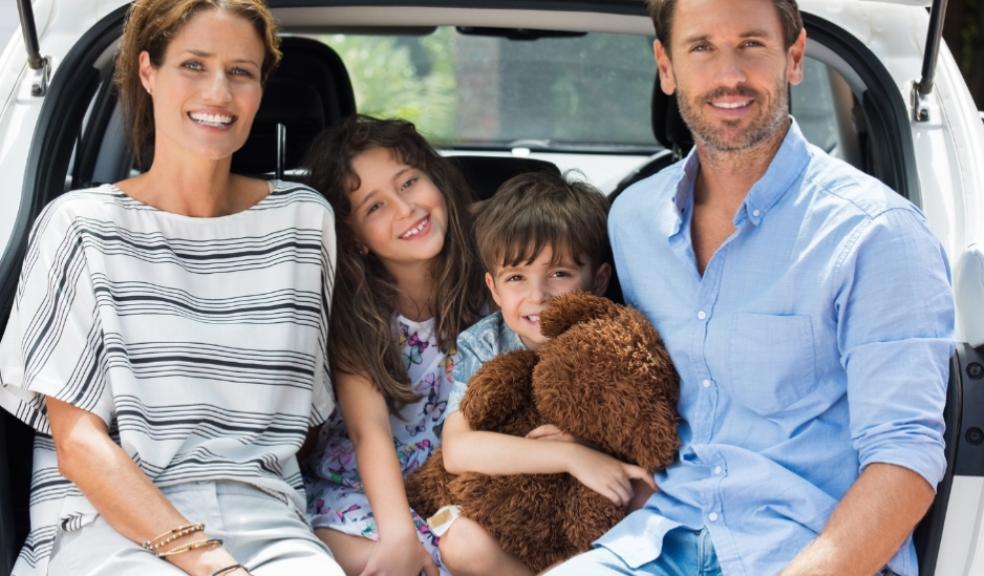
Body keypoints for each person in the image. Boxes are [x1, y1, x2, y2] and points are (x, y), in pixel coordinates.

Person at [546, 0, 955, 575]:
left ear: (794, 57)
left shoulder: (876, 234)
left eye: (752, 45)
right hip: (660, 540)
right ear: (666, 67)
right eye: (702, 48)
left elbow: (905, 457)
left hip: (812, 552)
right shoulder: (632, 220)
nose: (729, 75)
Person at [0, 2, 344, 576]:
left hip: (269, 520)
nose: (219, 93)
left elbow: (304, 421)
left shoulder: (304, 224)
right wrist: (213, 564)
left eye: (241, 72)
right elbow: (78, 445)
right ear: (147, 72)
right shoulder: (79, 225)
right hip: (106, 524)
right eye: (193, 64)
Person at [435, 171, 656, 576]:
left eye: (559, 274)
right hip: (519, 507)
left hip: (596, 503)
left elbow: (647, 429)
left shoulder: (616, 339)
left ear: (599, 279)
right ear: (494, 288)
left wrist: (592, 444)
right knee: (458, 542)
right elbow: (458, 450)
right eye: (517, 277)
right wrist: (571, 455)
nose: (538, 295)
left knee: (648, 495)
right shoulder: (485, 343)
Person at [301, 115, 485, 576]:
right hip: (367, 487)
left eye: (409, 182)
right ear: (356, 239)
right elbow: (370, 432)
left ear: (436, 180)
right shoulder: (357, 314)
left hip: (463, 480)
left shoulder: (494, 279)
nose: (405, 209)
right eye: (374, 207)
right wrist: (399, 530)